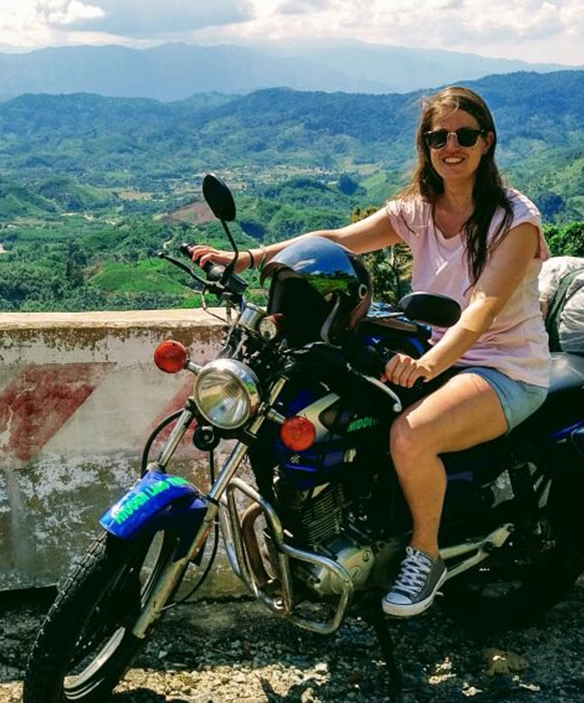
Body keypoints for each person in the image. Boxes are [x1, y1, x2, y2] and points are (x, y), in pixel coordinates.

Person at [190, 85, 551, 618]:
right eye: (438, 137)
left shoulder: (514, 220)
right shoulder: (419, 210)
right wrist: (245, 261)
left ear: (486, 141)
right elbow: (336, 240)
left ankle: (424, 557)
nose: (451, 146)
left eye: (464, 135)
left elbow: (481, 308)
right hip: (432, 348)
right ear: (425, 146)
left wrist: (429, 363)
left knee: (411, 437)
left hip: (503, 367)